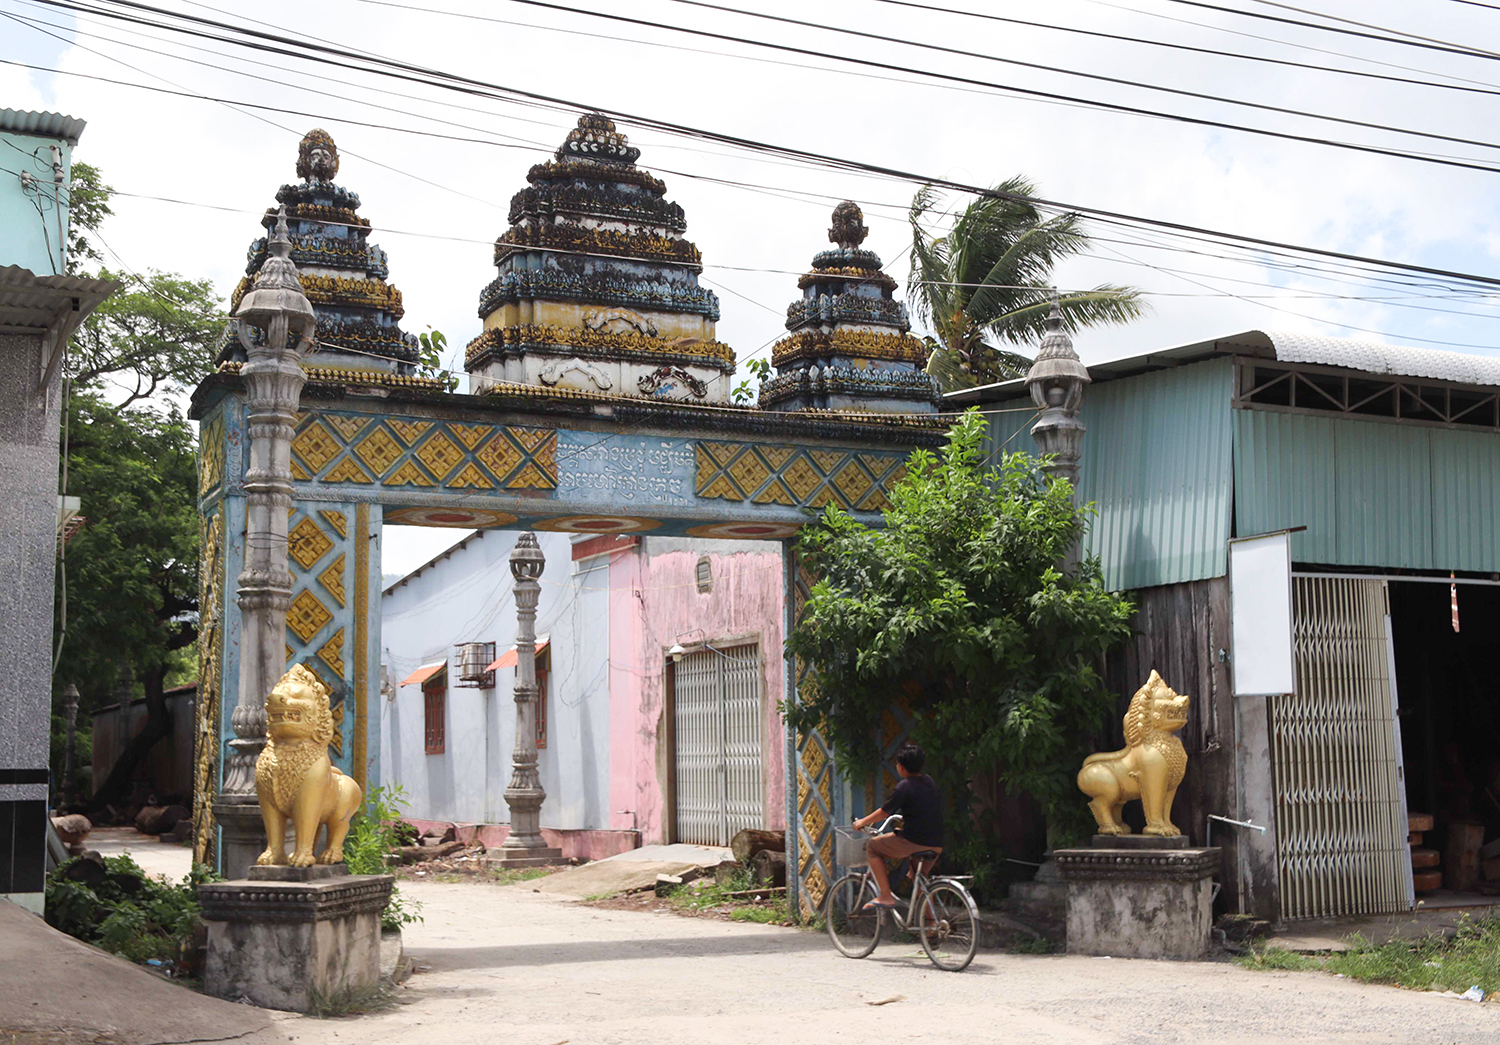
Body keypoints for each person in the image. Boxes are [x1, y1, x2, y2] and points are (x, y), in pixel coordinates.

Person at [850, 743, 943, 909]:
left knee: (872, 847)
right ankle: (931, 926)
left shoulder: (904, 786)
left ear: (901, 767)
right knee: (920, 879)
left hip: (914, 841)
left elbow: (885, 812)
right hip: (936, 843)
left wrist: (861, 822)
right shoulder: (929, 781)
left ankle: (885, 896)